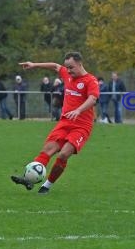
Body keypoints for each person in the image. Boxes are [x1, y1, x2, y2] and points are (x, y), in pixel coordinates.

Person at [11, 52, 99, 194]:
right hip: (65, 122)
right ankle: (29, 179)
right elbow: (55, 66)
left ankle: (47, 185)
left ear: (80, 64)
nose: (68, 71)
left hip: (81, 126)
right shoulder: (67, 74)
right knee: (47, 150)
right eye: (67, 68)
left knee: (63, 155)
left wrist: (78, 110)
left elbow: (93, 99)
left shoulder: (90, 80)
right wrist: (34, 65)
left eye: (71, 67)